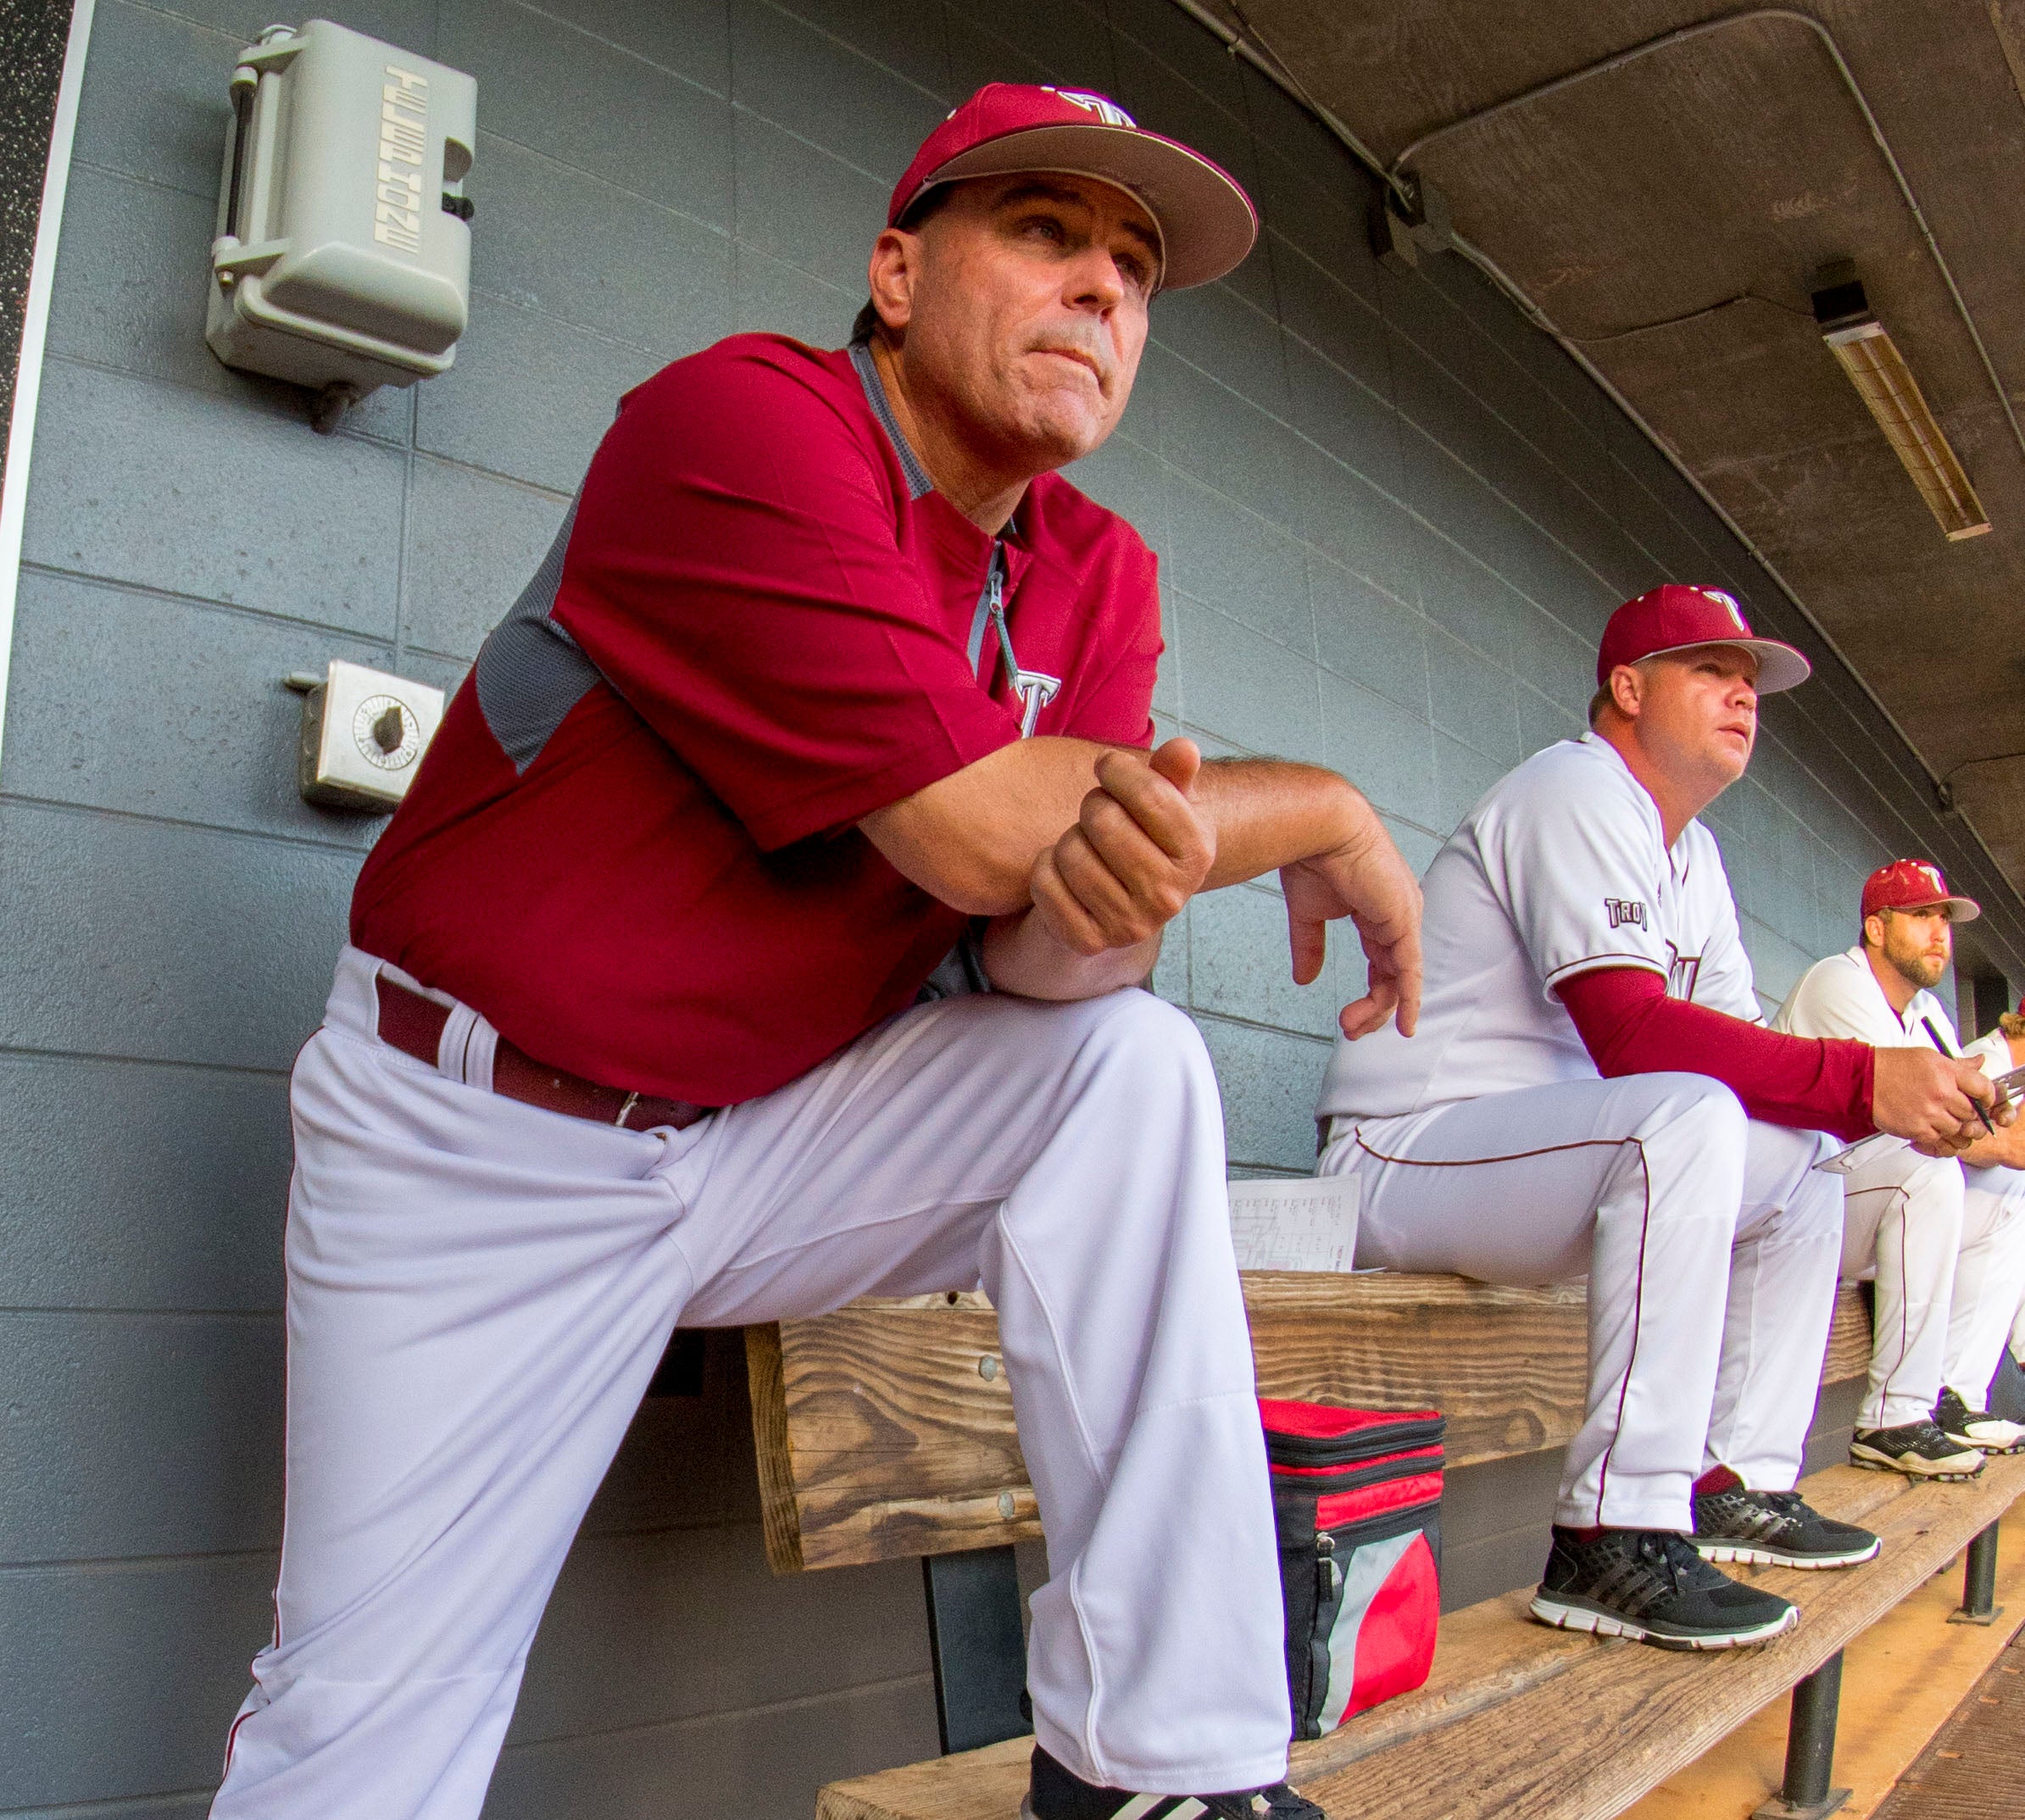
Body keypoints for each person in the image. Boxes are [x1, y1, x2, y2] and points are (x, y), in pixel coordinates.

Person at [206, 83, 1428, 1820]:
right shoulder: (743, 420)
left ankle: (1162, 1768)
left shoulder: (1099, 574)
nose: (1104, 288)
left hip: (766, 1144)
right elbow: (970, 826)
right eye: (1046, 230)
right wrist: (1322, 808)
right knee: (369, 1728)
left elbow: (1028, 957)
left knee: (1130, 1059)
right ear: (899, 271)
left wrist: (1117, 903)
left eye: (1138, 268)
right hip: (474, 1143)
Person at [1313, 583, 2001, 1652]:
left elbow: (1745, 1065)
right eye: (1711, 670)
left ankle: (1736, 1478)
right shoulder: (1574, 788)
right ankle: (1611, 1529)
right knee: (1682, 1116)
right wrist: (1870, 1076)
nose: (1743, 695)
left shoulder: (1697, 855)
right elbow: (1632, 1035)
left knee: (1809, 1153)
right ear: (1627, 688)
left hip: (1542, 1162)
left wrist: (1879, 1103)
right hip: (1404, 1152)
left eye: (1752, 681)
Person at [1774, 865, 2025, 1471]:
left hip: (1851, 1210)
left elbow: (1976, 1127)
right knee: (1930, 1171)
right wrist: (1976, 1120)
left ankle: (1951, 1395)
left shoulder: (1929, 1014)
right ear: (1875, 928)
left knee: (2005, 1202)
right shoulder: (1837, 980)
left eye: (1944, 919)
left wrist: (1976, 1118)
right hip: (1788, 1213)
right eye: (1920, 916)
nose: (1939, 932)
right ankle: (1893, 1417)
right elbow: (1927, 1120)